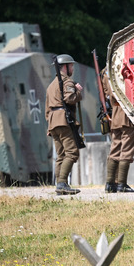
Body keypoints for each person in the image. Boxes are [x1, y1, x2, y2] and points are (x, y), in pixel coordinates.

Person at [45, 54, 82, 195]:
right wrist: (78, 92)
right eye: (71, 65)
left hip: (53, 122)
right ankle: (62, 183)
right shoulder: (67, 82)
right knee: (72, 153)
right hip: (63, 121)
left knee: (61, 155)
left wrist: (49, 126)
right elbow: (70, 98)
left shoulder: (51, 85)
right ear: (65, 67)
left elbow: (47, 108)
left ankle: (60, 185)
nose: (72, 68)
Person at [101, 66, 134, 193]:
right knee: (126, 150)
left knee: (115, 148)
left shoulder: (105, 72)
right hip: (126, 112)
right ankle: (121, 184)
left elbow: (107, 93)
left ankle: (110, 183)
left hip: (115, 114)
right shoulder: (121, 68)